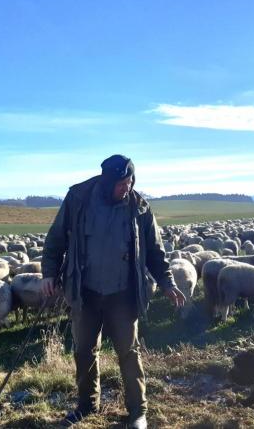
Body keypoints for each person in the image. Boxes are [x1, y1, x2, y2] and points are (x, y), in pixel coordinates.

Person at [41, 154, 186, 429]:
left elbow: (155, 251)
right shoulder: (78, 198)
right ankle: (87, 404)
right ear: (107, 182)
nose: (126, 188)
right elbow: (56, 238)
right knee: (84, 350)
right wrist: (49, 273)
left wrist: (167, 283)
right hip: (85, 290)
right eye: (121, 183)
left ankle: (137, 412)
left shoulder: (139, 207)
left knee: (129, 351)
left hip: (123, 292)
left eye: (130, 182)